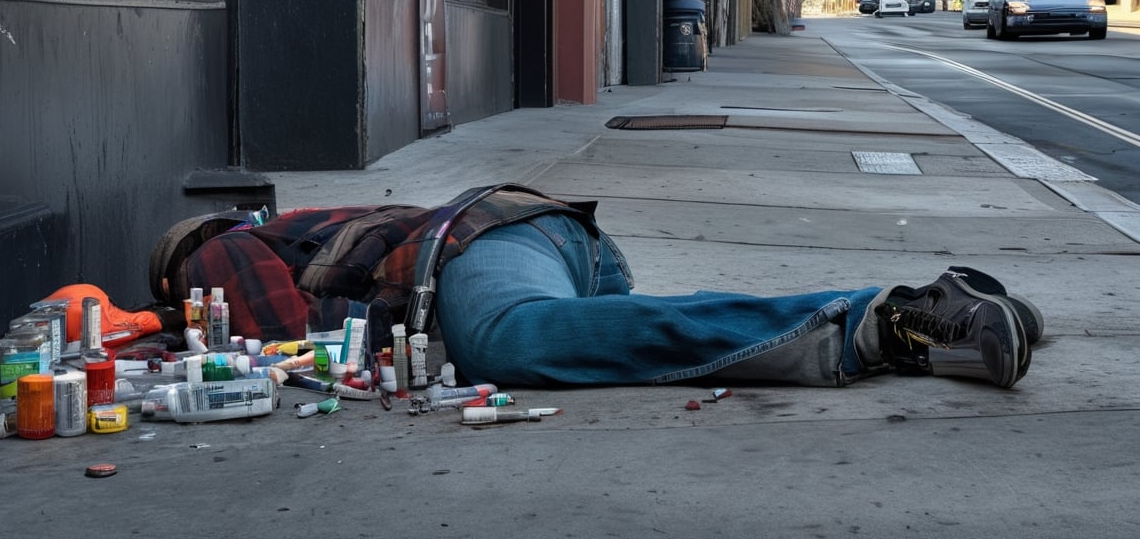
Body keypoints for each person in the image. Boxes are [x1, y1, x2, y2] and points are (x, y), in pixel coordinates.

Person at [174, 184, 1039, 390]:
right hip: (558, 250)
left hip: (490, 242)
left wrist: (170, 327)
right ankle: (975, 325)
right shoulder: (310, 233)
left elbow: (288, 344)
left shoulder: (215, 249)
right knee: (576, 337)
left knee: (503, 340)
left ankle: (885, 318)